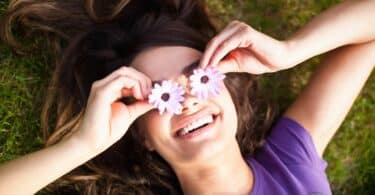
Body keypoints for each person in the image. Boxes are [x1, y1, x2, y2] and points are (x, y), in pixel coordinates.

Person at [0, 0, 374, 194]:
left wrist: (291, 51)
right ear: (141, 135)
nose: (188, 100)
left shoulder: (290, 161)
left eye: (197, 76)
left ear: (228, 86)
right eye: (159, 96)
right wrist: (83, 145)